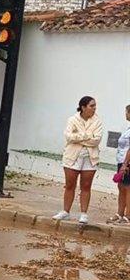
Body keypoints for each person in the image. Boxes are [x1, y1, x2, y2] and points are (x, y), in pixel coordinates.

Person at [54, 95, 103, 225]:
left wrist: (79, 137)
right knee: (70, 185)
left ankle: (84, 213)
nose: (94, 108)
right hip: (72, 156)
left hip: (89, 158)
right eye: (91, 106)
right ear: (83, 107)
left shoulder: (97, 121)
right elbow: (69, 137)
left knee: (86, 186)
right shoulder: (72, 119)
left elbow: (96, 140)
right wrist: (87, 135)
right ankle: (66, 211)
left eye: (95, 106)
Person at [110, 103, 130, 224]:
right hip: (121, 160)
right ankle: (120, 213)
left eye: (127, 112)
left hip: (127, 162)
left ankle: (128, 215)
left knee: (128, 187)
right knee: (121, 187)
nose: (125, 114)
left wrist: (125, 164)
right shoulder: (128, 129)